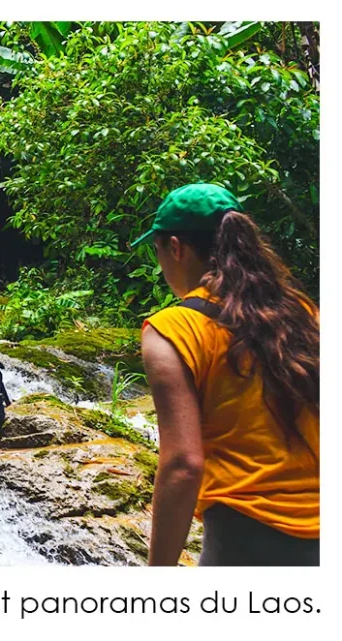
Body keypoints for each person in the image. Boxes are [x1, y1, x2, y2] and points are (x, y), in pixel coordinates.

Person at [133, 183, 319, 566]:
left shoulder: (173, 329)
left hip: (246, 537)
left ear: (175, 248)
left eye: (158, 251)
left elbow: (184, 465)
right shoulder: (304, 314)